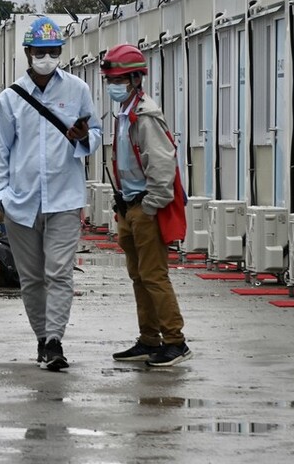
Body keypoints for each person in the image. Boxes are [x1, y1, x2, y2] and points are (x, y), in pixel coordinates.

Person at [0, 16, 99, 372]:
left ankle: (55, 341)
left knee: (60, 273)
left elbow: (95, 133)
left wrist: (85, 137)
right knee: (33, 278)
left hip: (65, 198)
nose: (47, 58)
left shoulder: (77, 90)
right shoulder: (9, 99)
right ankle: (41, 337)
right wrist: (1, 196)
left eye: (53, 52)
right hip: (21, 202)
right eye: (41, 52)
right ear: (27, 53)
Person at [102, 43, 193, 368]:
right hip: (129, 206)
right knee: (139, 276)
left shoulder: (146, 115)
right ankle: (149, 339)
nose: (114, 85)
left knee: (154, 276)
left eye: (120, 79)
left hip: (145, 207)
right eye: (111, 79)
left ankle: (175, 341)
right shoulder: (125, 114)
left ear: (136, 79)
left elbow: (163, 165)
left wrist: (151, 206)